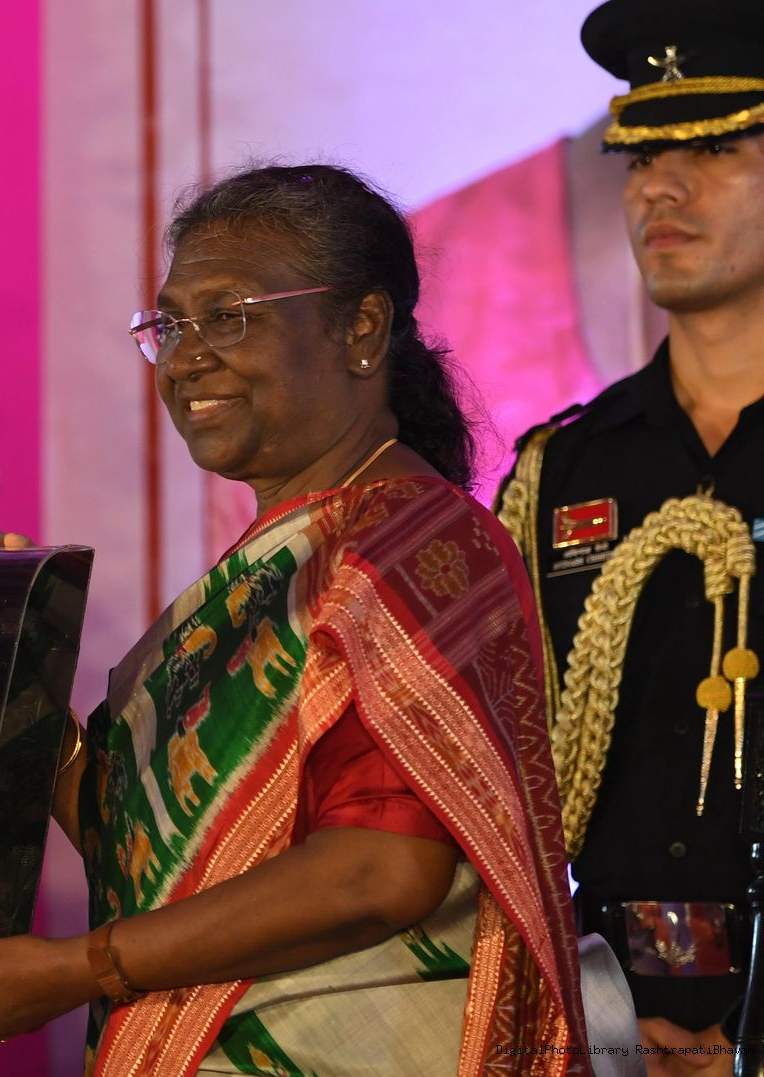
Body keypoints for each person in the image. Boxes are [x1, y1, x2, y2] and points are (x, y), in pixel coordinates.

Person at [0, 165, 590, 1075]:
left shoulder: (410, 547)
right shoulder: (287, 555)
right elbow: (144, 856)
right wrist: (15, 671)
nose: (185, 358)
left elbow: (381, 871)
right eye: (170, 325)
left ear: (361, 328)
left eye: (228, 317)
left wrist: (77, 968)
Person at [494, 1, 764, 1069]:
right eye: (641, 156)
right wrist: (592, 1021)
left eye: (714, 149)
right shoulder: (562, 471)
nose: (659, 187)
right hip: (610, 1016)